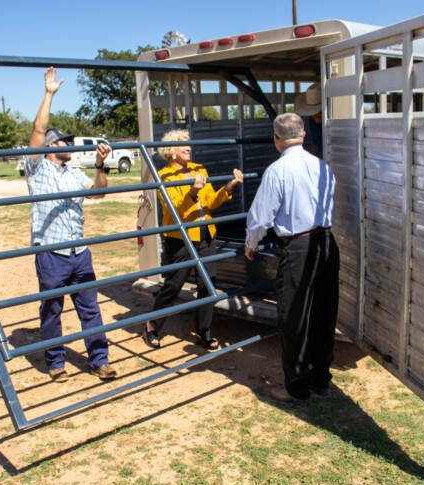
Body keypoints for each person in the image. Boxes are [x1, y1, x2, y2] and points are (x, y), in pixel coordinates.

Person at [26, 66, 117, 383]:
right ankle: (55, 362)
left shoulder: (74, 173)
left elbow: (99, 194)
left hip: (79, 250)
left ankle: (100, 360)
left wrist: (100, 164)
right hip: (51, 252)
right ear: (51, 146)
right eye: (64, 141)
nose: (70, 145)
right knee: (52, 308)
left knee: (90, 308)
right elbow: (38, 131)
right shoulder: (37, 168)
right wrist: (49, 94)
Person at [245, 112, 339, 402]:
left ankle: (296, 387)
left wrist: (251, 243)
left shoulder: (278, 170)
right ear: (304, 135)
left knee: (294, 316)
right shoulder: (322, 166)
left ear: (276, 139)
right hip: (326, 243)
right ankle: (321, 379)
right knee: (324, 313)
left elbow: (261, 216)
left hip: (298, 246)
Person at [143, 129, 244, 350]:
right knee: (174, 285)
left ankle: (203, 330)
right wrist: (192, 192)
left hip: (205, 233)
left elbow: (210, 202)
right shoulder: (165, 176)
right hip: (180, 238)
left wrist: (229, 187)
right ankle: (152, 324)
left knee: (208, 283)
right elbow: (176, 209)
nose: (189, 147)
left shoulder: (199, 169)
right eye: (183, 144)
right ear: (171, 150)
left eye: (189, 144)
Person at [294, 84, 323, 158]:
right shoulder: (312, 121)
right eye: (313, 114)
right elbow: (317, 143)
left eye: (319, 114)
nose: (315, 118)